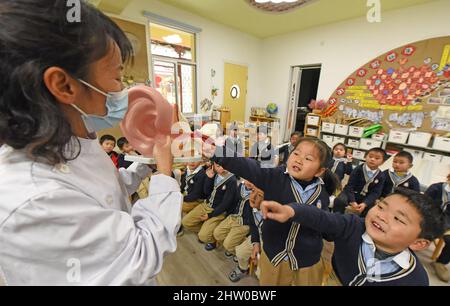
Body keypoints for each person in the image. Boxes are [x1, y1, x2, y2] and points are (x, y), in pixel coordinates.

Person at [0, 0, 182, 285]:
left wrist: (145, 167)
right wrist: (165, 174)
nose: (123, 90)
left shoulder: (72, 138)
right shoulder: (34, 200)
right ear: (64, 85)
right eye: (118, 77)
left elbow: (102, 193)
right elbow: (139, 254)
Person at [206, 137, 339, 286]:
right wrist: (218, 152)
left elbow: (324, 227)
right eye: (296, 154)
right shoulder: (275, 177)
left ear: (320, 171)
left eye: (308, 158)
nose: (299, 160)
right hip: (275, 256)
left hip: (308, 260)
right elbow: (250, 167)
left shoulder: (322, 194)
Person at [260, 188, 446, 286]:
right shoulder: (353, 227)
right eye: (381, 206)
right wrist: (291, 210)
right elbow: (323, 218)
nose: (381, 215)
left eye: (398, 218)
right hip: (336, 279)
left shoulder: (415, 280)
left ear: (419, 242)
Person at [181, 162, 238, 251]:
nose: (222, 168)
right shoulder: (214, 174)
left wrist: (210, 215)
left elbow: (225, 203)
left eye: (225, 165)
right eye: (218, 166)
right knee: (186, 222)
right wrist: (209, 179)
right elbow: (207, 192)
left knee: (203, 236)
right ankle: (206, 230)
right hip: (206, 205)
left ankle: (212, 240)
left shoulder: (232, 180)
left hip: (218, 211)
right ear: (213, 165)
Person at [333, 148, 387, 217]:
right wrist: (353, 201)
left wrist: (365, 203)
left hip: (366, 197)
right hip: (351, 193)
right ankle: (337, 218)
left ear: (382, 162)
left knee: (371, 209)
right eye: (370, 157)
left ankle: (361, 223)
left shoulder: (381, 175)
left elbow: (376, 192)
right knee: (339, 201)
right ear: (365, 157)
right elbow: (350, 186)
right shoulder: (358, 169)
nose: (372, 159)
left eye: (377, 158)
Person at [425, 172, 450, 282]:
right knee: (424, 231)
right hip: (430, 218)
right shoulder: (436, 188)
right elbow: (423, 204)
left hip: (447, 224)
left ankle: (440, 263)